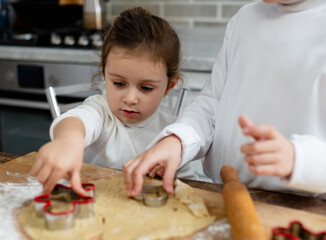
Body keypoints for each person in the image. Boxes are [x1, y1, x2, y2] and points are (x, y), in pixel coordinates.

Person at [123, 0, 326, 197]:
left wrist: (298, 159)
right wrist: (177, 141)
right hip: (224, 192)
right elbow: (212, 103)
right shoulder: (245, 19)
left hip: (304, 208)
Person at [32, 7, 198, 196]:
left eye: (146, 88)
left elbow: (190, 186)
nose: (130, 98)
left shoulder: (172, 132)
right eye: (119, 83)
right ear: (105, 73)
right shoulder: (101, 112)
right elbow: (77, 121)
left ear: (169, 86)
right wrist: (69, 140)